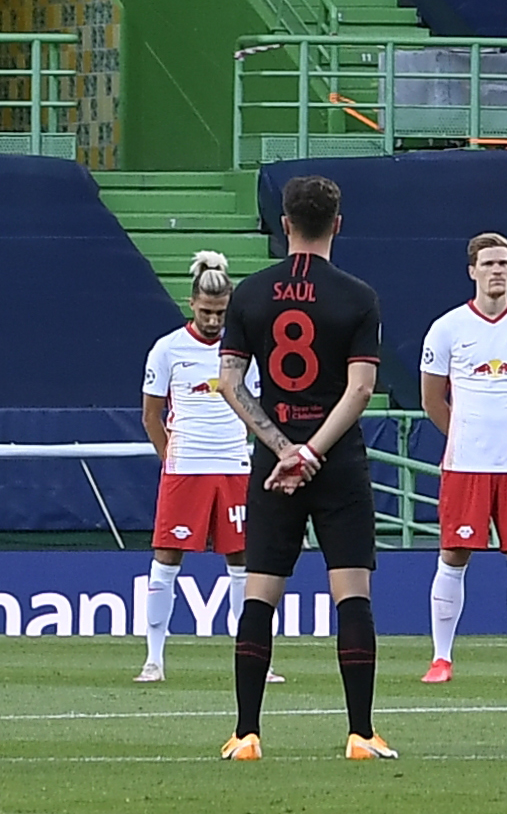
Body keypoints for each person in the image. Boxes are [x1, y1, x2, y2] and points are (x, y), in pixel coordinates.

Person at [218, 175, 397, 762]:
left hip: (274, 463)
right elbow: (361, 387)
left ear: (284, 223)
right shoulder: (357, 295)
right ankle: (361, 735)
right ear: (337, 225)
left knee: (259, 595)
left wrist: (282, 446)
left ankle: (246, 734)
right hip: (337, 460)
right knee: (352, 595)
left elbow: (230, 382)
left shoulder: (250, 293)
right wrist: (314, 451)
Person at [420, 229, 507, 686]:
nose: (497, 270)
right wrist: (467, 434)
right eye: (488, 263)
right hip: (465, 465)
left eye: (504, 263)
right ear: (472, 272)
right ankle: (441, 658)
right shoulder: (447, 328)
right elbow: (432, 400)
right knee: (454, 553)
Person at [135, 254, 251, 688]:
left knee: (241, 561)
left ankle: (250, 657)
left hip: (234, 466)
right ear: (192, 303)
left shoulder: (243, 350)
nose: (212, 320)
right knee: (167, 559)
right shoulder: (168, 349)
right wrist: (173, 461)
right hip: (187, 467)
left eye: (220, 313)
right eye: (205, 311)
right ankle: (154, 659)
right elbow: (151, 415)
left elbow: (255, 407)